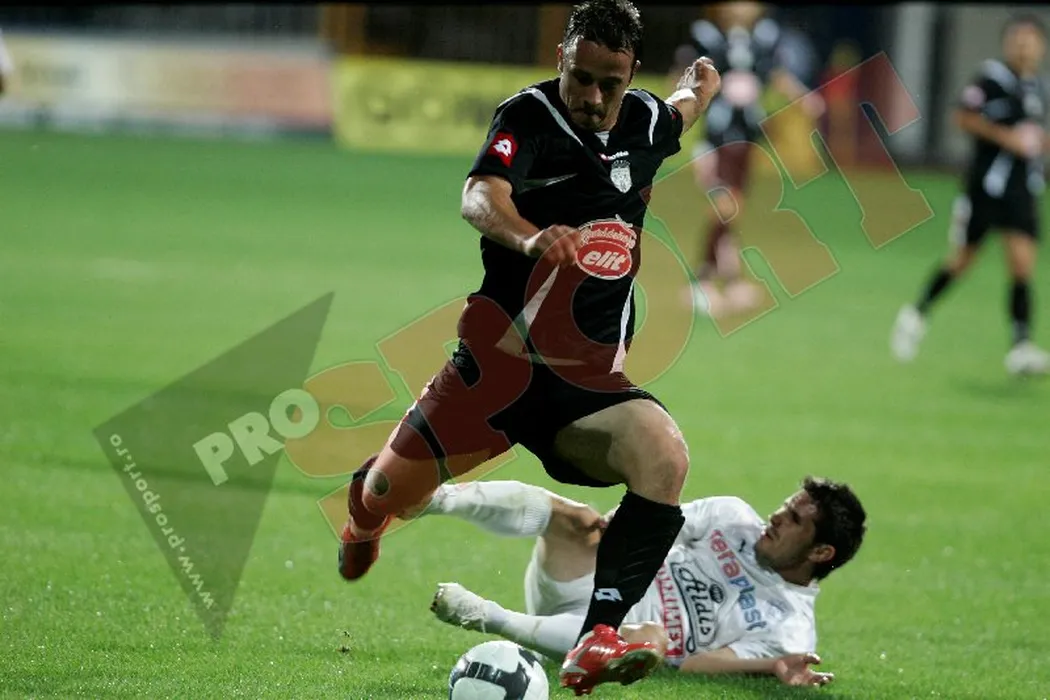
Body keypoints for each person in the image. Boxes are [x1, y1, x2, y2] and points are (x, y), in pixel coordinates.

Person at [337, 0, 722, 694]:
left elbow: (683, 109)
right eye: (582, 78)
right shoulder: (527, 117)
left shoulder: (645, 121)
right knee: (387, 493)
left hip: (588, 386)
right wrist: (530, 236)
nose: (594, 97)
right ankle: (363, 522)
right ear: (561, 60)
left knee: (664, 455)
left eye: (611, 83)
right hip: (494, 374)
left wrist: (702, 85)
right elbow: (479, 195)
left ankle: (596, 639)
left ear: (631, 73)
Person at [424, 476, 866, 687]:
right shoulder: (731, 517)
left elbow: (693, 666)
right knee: (577, 519)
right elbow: (647, 528)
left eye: (794, 520)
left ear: (820, 553)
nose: (776, 516)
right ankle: (435, 497)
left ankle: (487, 616)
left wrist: (770, 666)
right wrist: (619, 523)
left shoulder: (789, 630)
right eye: (785, 506)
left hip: (622, 637)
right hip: (595, 582)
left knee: (652, 640)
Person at [892, 15, 1050, 375]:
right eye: (1018, 39)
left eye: (1031, 40)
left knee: (1022, 265)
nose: (1024, 46)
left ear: (1041, 47)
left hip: (1022, 188)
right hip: (986, 187)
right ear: (1007, 43)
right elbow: (963, 117)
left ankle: (1021, 345)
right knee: (963, 260)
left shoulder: (1038, 88)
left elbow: (1034, 135)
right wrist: (1006, 138)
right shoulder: (991, 79)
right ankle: (916, 313)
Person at [669, 2, 823, 318]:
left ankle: (731, 281)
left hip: (746, 137)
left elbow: (776, 75)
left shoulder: (762, 40)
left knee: (732, 210)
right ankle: (700, 282)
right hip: (718, 139)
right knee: (724, 207)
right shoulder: (708, 39)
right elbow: (682, 77)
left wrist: (804, 97)